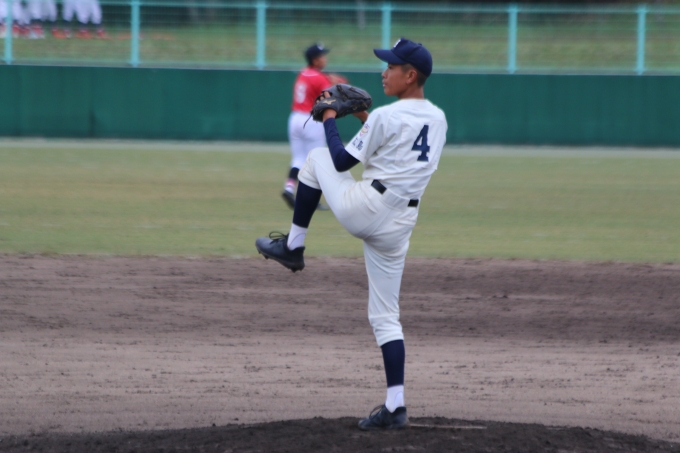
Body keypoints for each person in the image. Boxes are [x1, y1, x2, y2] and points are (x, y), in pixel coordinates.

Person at [255, 38, 448, 430]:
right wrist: (362, 117)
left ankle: (293, 245)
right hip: (401, 223)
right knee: (386, 316)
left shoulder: (387, 116)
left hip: (369, 208)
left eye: (391, 66)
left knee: (316, 158)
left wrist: (329, 116)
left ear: (410, 75)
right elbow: (390, 150)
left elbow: (342, 160)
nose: (384, 72)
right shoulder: (438, 118)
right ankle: (395, 406)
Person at [282, 43, 346, 211]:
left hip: (295, 117)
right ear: (315, 60)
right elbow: (332, 96)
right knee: (317, 161)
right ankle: (311, 199)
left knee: (298, 158)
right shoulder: (319, 78)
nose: (325, 58)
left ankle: (289, 188)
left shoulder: (303, 73)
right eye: (322, 56)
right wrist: (338, 83)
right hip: (311, 120)